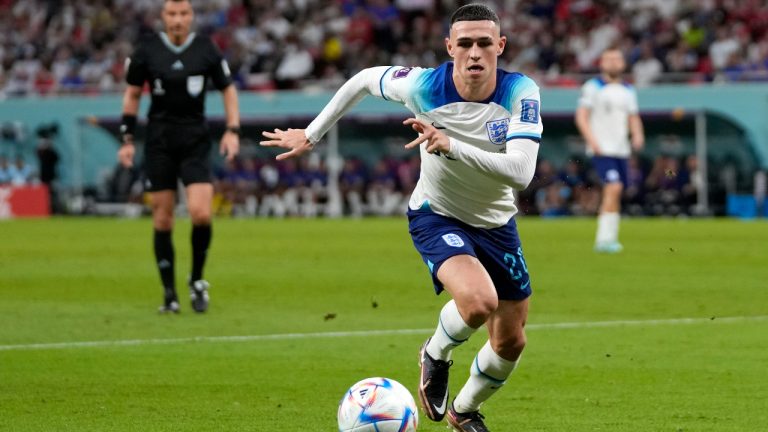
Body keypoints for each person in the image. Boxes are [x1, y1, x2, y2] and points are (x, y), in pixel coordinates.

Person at [261, 5, 541, 431]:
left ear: (500, 46)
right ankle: (436, 353)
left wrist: (449, 145)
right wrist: (312, 133)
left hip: (498, 223)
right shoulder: (424, 85)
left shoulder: (521, 92)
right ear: (450, 47)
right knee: (478, 301)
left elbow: (521, 172)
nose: (474, 53)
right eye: (464, 43)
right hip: (437, 214)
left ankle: (463, 412)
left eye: (485, 42)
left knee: (511, 340)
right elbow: (363, 79)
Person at [118, 0, 240, 313]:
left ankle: (197, 279)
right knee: (163, 218)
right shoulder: (147, 50)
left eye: (183, 14)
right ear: (163, 17)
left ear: (191, 17)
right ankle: (169, 294)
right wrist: (127, 138)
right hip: (159, 141)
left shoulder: (205, 48)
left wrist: (232, 130)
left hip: (194, 139)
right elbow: (132, 94)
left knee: (201, 213)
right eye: (172, 14)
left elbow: (228, 89)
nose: (177, 20)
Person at [575, 48, 644, 253]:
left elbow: (633, 116)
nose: (613, 63)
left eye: (617, 59)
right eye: (609, 59)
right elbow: (581, 116)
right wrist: (592, 141)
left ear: (623, 63)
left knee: (618, 189)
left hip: (621, 149)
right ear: (602, 63)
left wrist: (638, 135)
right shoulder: (593, 87)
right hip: (602, 148)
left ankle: (611, 237)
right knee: (613, 187)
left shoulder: (628, 90)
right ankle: (603, 239)